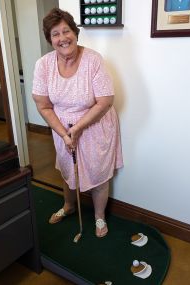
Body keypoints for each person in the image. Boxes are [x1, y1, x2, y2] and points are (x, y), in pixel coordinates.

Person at [32, 8, 123, 238]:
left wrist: (78, 128)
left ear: (75, 32)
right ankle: (69, 206)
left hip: (94, 125)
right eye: (55, 34)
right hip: (61, 128)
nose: (62, 38)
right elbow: (43, 105)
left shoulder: (93, 60)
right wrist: (64, 134)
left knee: (97, 173)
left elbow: (105, 101)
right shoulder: (43, 65)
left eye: (66, 31)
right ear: (49, 40)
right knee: (66, 169)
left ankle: (99, 216)